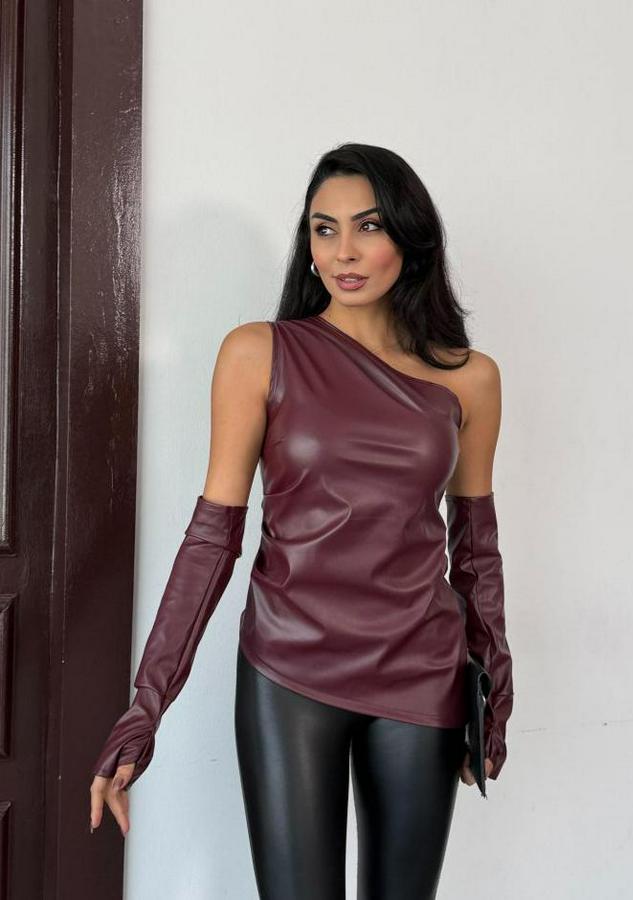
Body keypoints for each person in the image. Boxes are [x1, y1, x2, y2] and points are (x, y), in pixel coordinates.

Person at [89, 142, 514, 900]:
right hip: (290, 669)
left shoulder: (470, 379)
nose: (342, 251)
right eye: (324, 229)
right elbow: (211, 540)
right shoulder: (259, 353)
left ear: (410, 238)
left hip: (423, 673)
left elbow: (475, 549)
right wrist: (144, 708)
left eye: (367, 227)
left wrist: (496, 690)